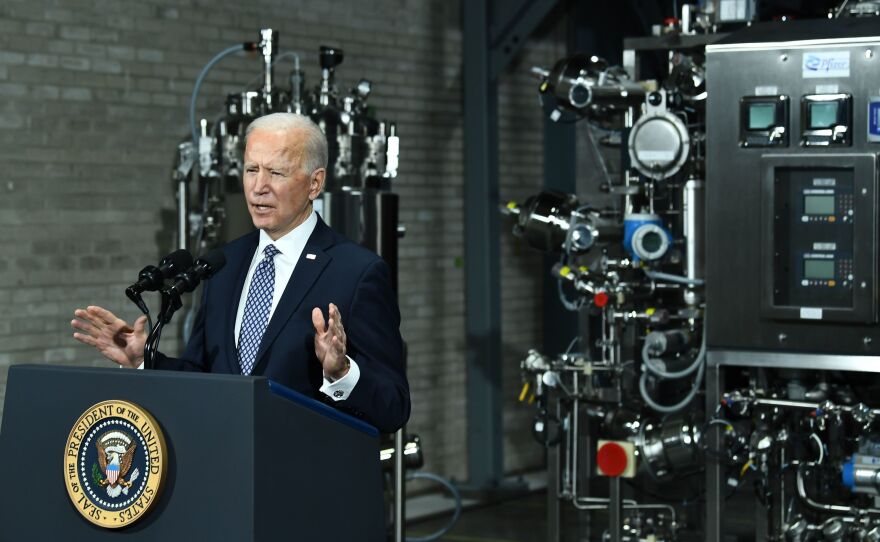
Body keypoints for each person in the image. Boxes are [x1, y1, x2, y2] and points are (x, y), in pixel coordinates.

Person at [72, 113, 409, 433]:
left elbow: (394, 406)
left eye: (276, 173)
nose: (258, 187)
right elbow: (204, 375)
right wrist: (144, 360)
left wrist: (342, 373)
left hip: (305, 480)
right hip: (225, 472)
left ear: (315, 183)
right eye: (251, 170)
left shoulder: (357, 272)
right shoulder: (224, 263)